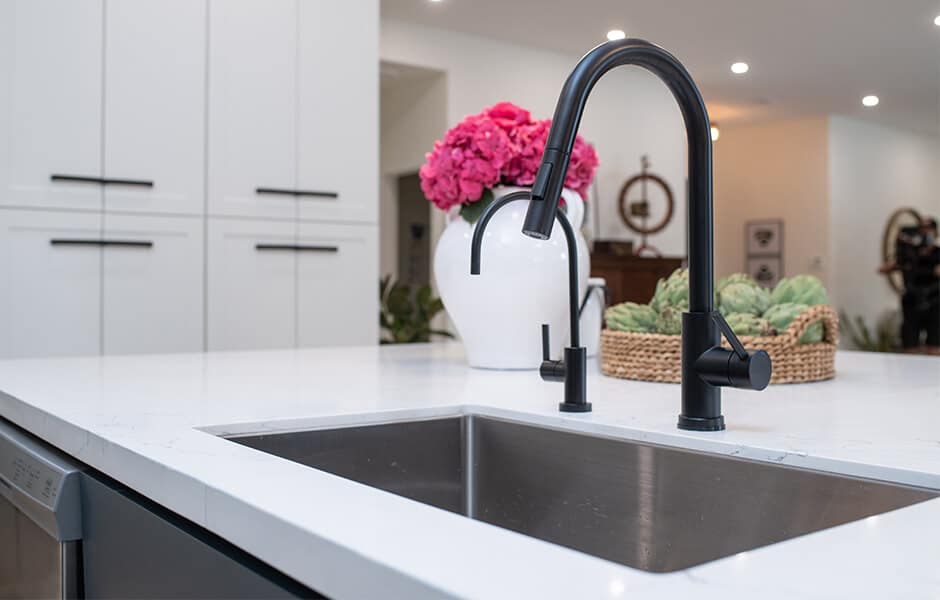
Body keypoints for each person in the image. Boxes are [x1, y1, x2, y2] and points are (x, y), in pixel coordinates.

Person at [880, 216, 940, 353]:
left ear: (935, 233)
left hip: (934, 302)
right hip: (912, 301)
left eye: (928, 230)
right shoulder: (909, 253)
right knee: (909, 344)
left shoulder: (938, 253)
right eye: (922, 229)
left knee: (934, 345)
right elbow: (884, 269)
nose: (925, 233)